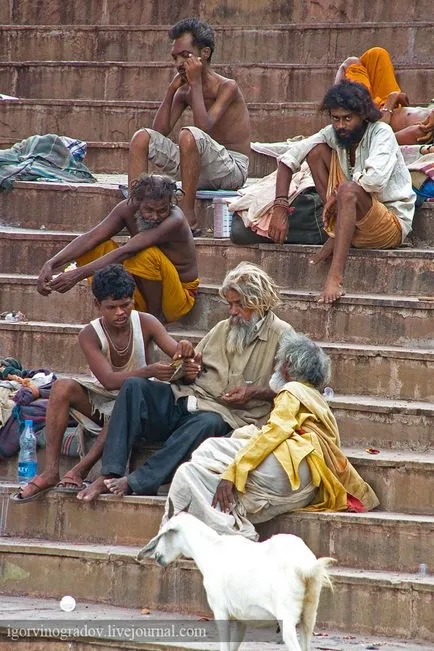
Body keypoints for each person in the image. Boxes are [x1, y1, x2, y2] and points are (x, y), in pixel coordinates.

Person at [77, 262, 294, 501]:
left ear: (259, 302)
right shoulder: (224, 327)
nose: (232, 311)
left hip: (224, 414)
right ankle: (108, 474)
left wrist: (253, 393)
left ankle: (137, 481)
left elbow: (294, 390)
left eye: (239, 305)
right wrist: (188, 368)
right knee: (133, 387)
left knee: (206, 423)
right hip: (185, 398)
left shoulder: (283, 335)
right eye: (230, 304)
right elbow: (193, 367)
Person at [160, 332, 379, 541]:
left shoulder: (292, 390)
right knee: (204, 474)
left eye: (279, 361)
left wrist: (235, 472)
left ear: (287, 365)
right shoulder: (315, 397)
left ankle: (226, 533)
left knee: (208, 450)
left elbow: (275, 432)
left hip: (290, 466)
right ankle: (231, 531)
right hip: (305, 483)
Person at [11, 264, 194, 502]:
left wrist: (186, 351)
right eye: (112, 307)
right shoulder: (90, 333)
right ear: (98, 305)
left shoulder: (146, 322)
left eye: (125, 305)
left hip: (140, 407)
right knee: (62, 386)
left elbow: (177, 353)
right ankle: (50, 471)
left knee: (126, 400)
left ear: (133, 301)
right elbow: (108, 381)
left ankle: (81, 469)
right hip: (104, 401)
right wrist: (149, 370)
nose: (120, 312)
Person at [268, 79, 416, 304]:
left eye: (348, 118)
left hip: (390, 223)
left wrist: (338, 195)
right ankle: (336, 231)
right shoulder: (333, 133)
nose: (340, 125)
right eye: (336, 118)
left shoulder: (381, 133)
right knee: (315, 152)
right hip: (353, 215)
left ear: (363, 117)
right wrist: (279, 207)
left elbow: (374, 181)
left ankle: (335, 276)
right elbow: (289, 157)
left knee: (348, 190)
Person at [128, 17, 251, 235]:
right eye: (175, 57)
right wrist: (170, 91)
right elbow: (159, 132)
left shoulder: (227, 87)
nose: (179, 63)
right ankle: (134, 212)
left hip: (231, 169)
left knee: (189, 134)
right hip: (195, 167)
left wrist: (194, 83)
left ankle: (187, 215)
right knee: (141, 137)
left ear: (205, 54)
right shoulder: (184, 91)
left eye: (185, 56)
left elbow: (203, 127)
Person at [36, 175, 199, 323]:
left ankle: (154, 318)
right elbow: (91, 237)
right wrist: (51, 263)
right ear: (138, 201)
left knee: (145, 253)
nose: (155, 217)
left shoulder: (174, 220)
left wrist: (77, 275)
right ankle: (122, 309)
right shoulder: (126, 208)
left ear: (170, 204)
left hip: (177, 298)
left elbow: (127, 250)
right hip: (140, 288)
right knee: (97, 248)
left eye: (162, 210)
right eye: (149, 210)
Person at [335, 47, 433, 146]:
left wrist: (392, 99)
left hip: (368, 115)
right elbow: (405, 104)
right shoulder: (430, 119)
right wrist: (397, 98)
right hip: (388, 106)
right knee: (378, 54)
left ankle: (337, 109)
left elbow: (382, 139)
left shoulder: (424, 131)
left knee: (349, 64)